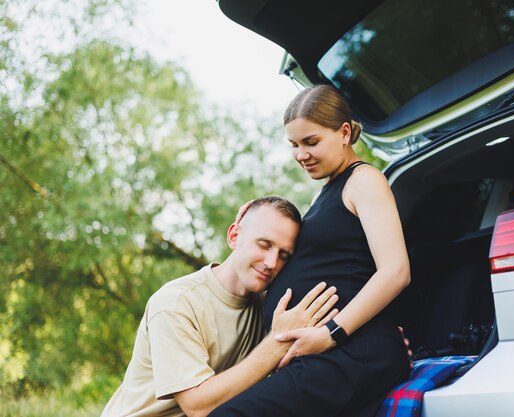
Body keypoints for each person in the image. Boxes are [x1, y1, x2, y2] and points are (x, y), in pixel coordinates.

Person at [209, 85, 411, 417]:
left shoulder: (364, 180)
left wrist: (331, 334)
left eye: (311, 142)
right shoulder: (326, 193)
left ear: (344, 133)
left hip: (348, 351)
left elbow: (396, 271)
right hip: (322, 355)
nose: (301, 154)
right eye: (294, 145)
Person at [101, 196, 339, 417]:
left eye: (284, 255)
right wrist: (279, 339)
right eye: (264, 244)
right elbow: (198, 405)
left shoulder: (270, 304)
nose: (271, 262)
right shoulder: (176, 303)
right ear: (234, 236)